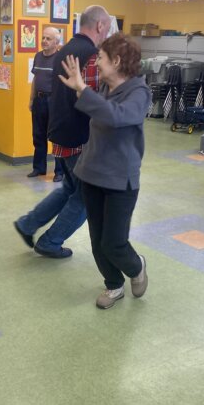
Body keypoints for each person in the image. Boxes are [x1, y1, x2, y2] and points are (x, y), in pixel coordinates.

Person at [58, 33, 151, 308]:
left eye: (100, 58)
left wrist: (82, 90)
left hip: (120, 179)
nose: (96, 63)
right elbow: (98, 113)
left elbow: (117, 116)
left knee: (114, 242)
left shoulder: (138, 92)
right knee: (97, 241)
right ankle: (114, 285)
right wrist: (81, 90)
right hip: (91, 174)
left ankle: (135, 266)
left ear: (117, 61)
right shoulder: (103, 89)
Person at [14, 5, 112, 258]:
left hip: (61, 130)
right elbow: (93, 101)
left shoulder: (63, 51)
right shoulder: (92, 55)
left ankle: (28, 223)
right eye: (107, 29)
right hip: (80, 137)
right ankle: (50, 241)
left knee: (70, 188)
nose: (106, 34)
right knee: (85, 197)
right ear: (100, 25)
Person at [27, 26, 63, 182]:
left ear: (56, 42)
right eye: (43, 38)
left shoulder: (60, 58)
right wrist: (31, 99)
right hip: (39, 100)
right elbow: (35, 79)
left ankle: (60, 171)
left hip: (54, 101)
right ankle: (39, 168)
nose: (44, 41)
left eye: (48, 38)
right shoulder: (38, 56)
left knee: (56, 137)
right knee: (38, 135)